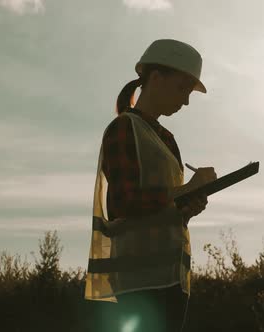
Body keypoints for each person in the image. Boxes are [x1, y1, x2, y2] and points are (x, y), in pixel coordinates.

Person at [84, 39, 217, 332]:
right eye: (183, 88)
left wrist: (188, 206)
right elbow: (123, 203)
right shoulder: (123, 129)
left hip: (173, 279)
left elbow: (165, 207)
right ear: (156, 78)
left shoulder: (167, 139)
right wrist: (184, 191)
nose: (186, 101)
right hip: (138, 285)